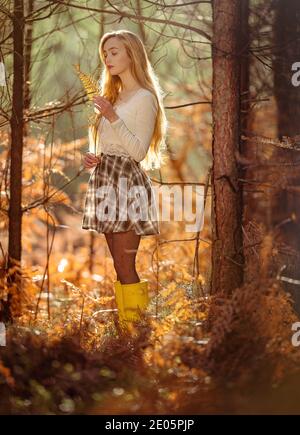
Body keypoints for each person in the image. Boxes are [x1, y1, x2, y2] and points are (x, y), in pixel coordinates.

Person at [81, 30, 168, 325]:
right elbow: (114, 144)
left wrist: (110, 115)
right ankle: (128, 333)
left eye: (114, 52)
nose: (107, 58)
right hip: (105, 178)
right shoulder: (115, 96)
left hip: (127, 184)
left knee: (125, 263)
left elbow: (138, 151)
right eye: (105, 53)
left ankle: (138, 333)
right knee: (118, 265)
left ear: (132, 54)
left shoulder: (145, 98)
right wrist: (95, 157)